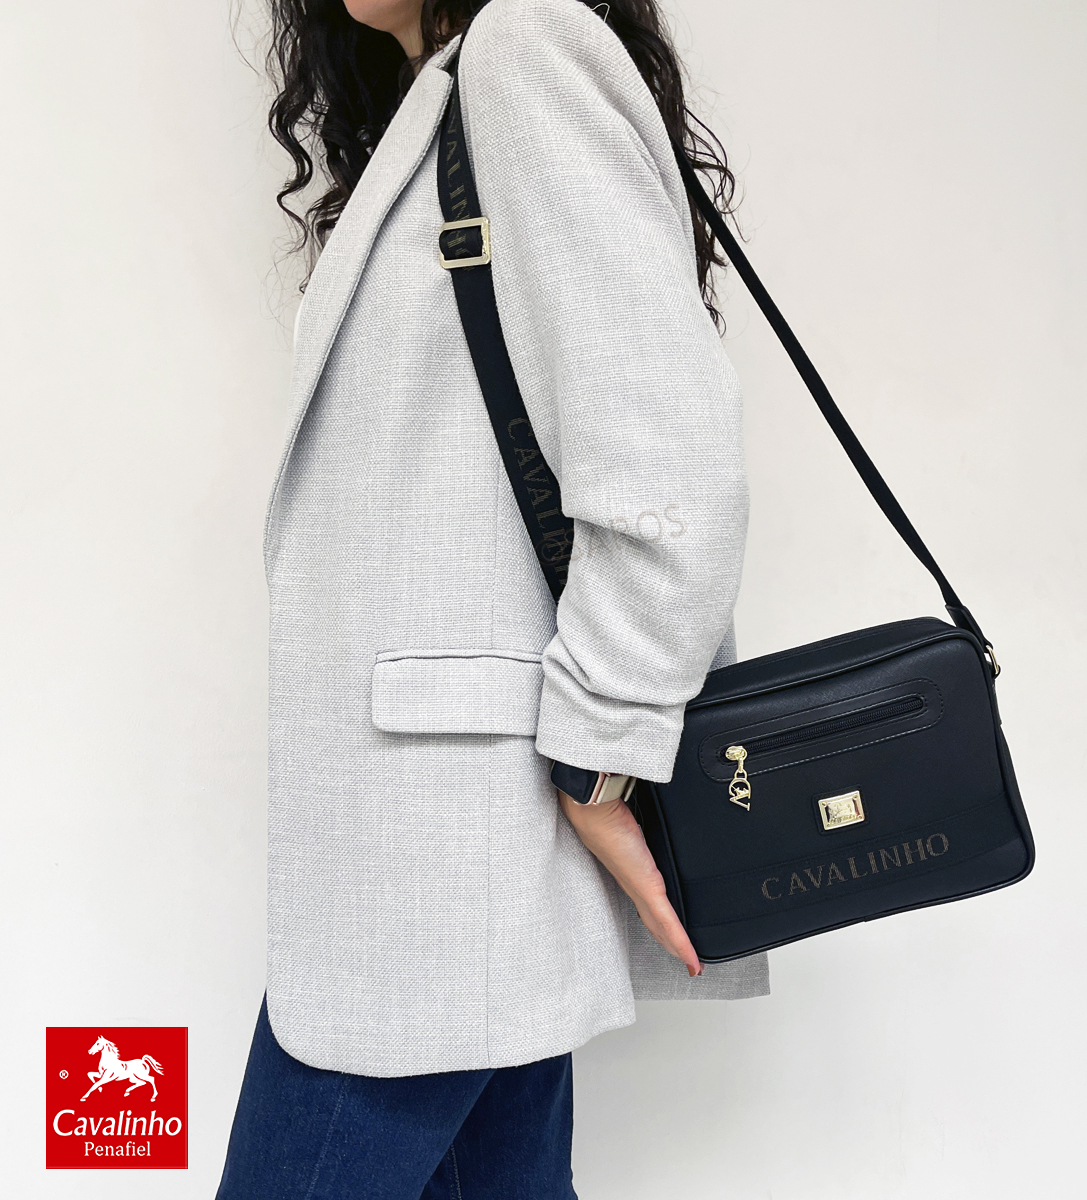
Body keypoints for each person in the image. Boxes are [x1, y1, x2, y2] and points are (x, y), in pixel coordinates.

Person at [217, 0, 768, 1195]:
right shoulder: (448, 97)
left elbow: (670, 466)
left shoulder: (526, 50)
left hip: (456, 842)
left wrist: (602, 756)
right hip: (458, 829)